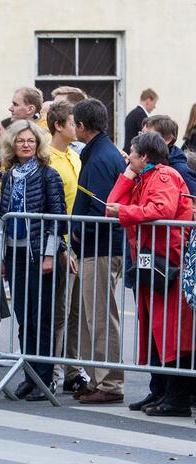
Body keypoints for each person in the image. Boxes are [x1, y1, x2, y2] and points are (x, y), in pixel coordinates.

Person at [106, 132, 195, 417]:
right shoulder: (145, 176)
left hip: (169, 263)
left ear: (144, 156)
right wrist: (128, 175)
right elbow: (111, 206)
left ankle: (177, 397)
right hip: (153, 262)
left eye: (131, 153)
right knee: (156, 329)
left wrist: (126, 211)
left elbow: (161, 209)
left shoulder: (164, 176)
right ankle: (160, 391)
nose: (128, 157)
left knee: (171, 331)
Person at [0, 119, 67, 401]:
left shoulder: (48, 174)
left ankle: (44, 377)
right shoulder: (11, 175)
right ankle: (29, 375)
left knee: (42, 319)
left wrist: (50, 254)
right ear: (12, 145)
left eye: (30, 141)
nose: (25, 145)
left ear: (38, 144)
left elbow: (57, 218)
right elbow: (4, 218)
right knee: (24, 318)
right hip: (15, 252)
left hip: (40, 255)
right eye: (20, 140)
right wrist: (1, 256)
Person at [70, 98, 127, 404]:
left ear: (81, 126)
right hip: (98, 246)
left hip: (102, 247)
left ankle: (110, 383)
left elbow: (104, 208)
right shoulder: (101, 152)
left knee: (102, 317)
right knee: (94, 317)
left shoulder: (100, 158)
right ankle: (99, 379)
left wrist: (78, 234)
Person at [46, 101, 88, 394]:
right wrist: (61, 247)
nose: (78, 127)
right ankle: (52, 370)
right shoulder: (47, 157)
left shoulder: (75, 155)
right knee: (60, 309)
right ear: (59, 125)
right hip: (60, 242)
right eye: (73, 122)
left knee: (76, 310)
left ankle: (73, 368)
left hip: (77, 240)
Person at [142, 115, 196, 195]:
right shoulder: (144, 161)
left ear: (167, 140)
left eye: (148, 135)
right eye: (141, 134)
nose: (141, 139)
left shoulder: (180, 170)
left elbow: (191, 202)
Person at [123, 88, 158, 153]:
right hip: (135, 153)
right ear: (148, 101)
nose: (154, 107)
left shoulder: (133, 113)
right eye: (154, 103)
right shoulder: (141, 115)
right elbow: (146, 138)